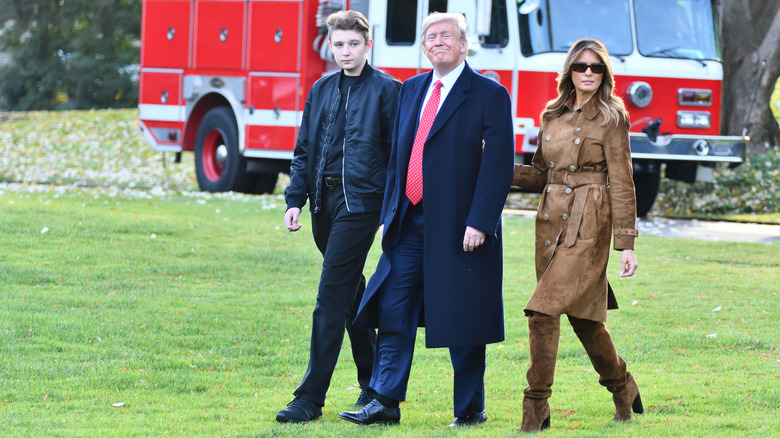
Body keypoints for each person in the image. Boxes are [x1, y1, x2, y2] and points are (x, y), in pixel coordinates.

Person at [338, 12, 514, 427]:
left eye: (446, 36)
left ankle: (470, 410)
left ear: (463, 44)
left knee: (464, 317)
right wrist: (389, 214)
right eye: (430, 36)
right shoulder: (412, 90)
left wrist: (480, 221)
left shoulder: (489, 94)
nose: (437, 42)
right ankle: (384, 401)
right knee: (395, 309)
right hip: (408, 224)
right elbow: (399, 157)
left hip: (461, 227)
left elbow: (499, 165)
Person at [511, 38, 643, 432]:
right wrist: (496, 166)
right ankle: (624, 388)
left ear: (605, 74)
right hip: (550, 225)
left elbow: (623, 182)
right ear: (569, 70)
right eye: (581, 66)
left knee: (542, 310)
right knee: (585, 321)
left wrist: (626, 244)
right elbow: (540, 174)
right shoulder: (551, 115)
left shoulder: (612, 117)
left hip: (590, 224)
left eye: (596, 67)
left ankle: (536, 408)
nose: (588, 72)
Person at [276, 10, 401, 424]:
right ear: (329, 46)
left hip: (360, 205)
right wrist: (294, 198)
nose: (345, 51)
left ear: (368, 45)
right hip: (321, 205)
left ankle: (309, 398)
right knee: (350, 292)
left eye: (353, 44)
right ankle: (373, 384)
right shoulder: (321, 88)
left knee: (329, 295)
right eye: (338, 44)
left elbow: (397, 156)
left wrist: (390, 207)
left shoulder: (388, 91)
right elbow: (304, 148)